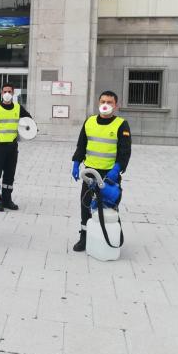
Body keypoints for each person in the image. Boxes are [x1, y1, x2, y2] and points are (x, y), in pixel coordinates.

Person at [70, 90, 131, 252]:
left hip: (109, 175)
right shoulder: (89, 122)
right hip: (90, 173)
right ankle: (84, 237)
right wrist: (76, 163)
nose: (105, 105)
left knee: (109, 205)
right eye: (103, 101)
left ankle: (110, 236)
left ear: (116, 105)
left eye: (109, 102)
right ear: (98, 103)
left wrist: (117, 168)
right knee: (86, 205)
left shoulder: (121, 124)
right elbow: (81, 145)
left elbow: (125, 151)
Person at [0, 83, 32, 211]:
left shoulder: (18, 108)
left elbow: (29, 120)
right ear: (1, 93)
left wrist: (29, 130)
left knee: (10, 175)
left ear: (13, 93)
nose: (7, 94)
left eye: (9, 91)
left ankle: (7, 199)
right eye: (5, 91)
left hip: (12, 147)